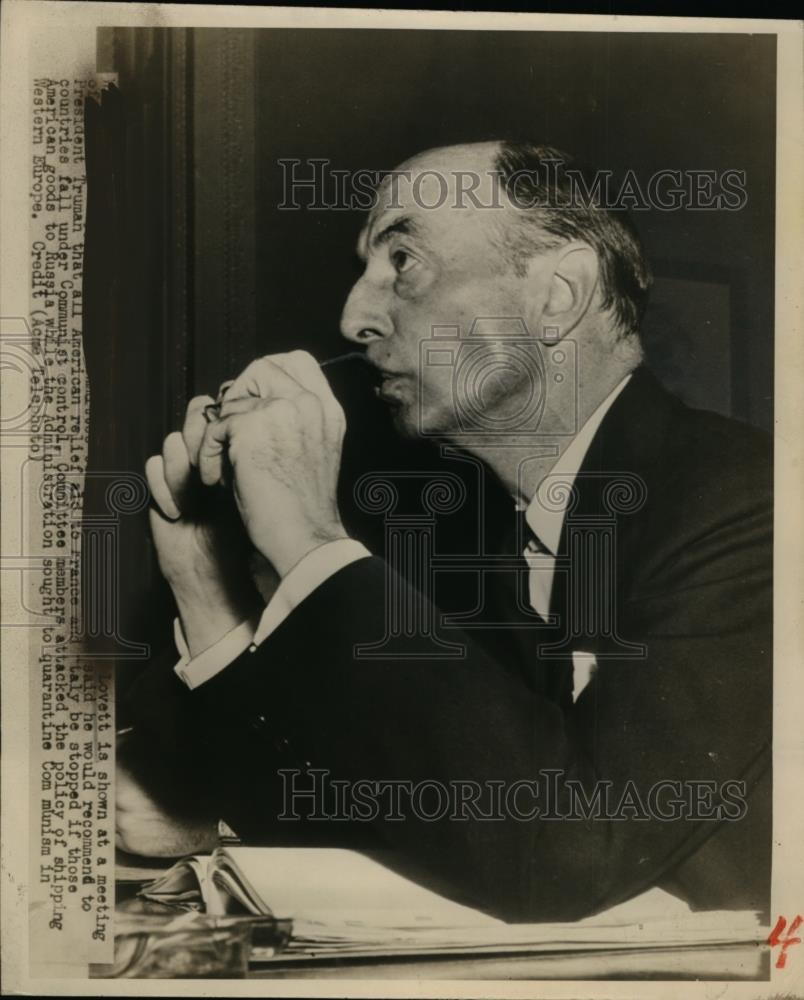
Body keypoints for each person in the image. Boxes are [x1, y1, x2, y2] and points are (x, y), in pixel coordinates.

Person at [116, 142, 772, 921]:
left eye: (403, 259)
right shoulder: (483, 537)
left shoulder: (753, 505)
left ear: (558, 296)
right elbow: (450, 816)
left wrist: (311, 543)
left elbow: (566, 856)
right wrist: (207, 580)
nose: (353, 317)